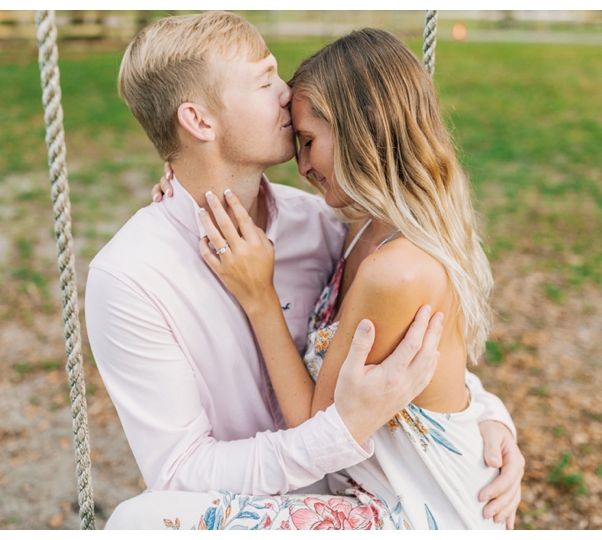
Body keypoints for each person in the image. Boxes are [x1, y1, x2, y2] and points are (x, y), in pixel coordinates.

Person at [87, 11, 523, 530]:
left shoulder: (323, 223)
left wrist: (485, 415)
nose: (285, 91)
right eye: (265, 79)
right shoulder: (131, 276)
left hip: (387, 491)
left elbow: (410, 332)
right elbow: (181, 471)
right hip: (308, 495)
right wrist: (340, 430)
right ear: (200, 122)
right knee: (138, 524)